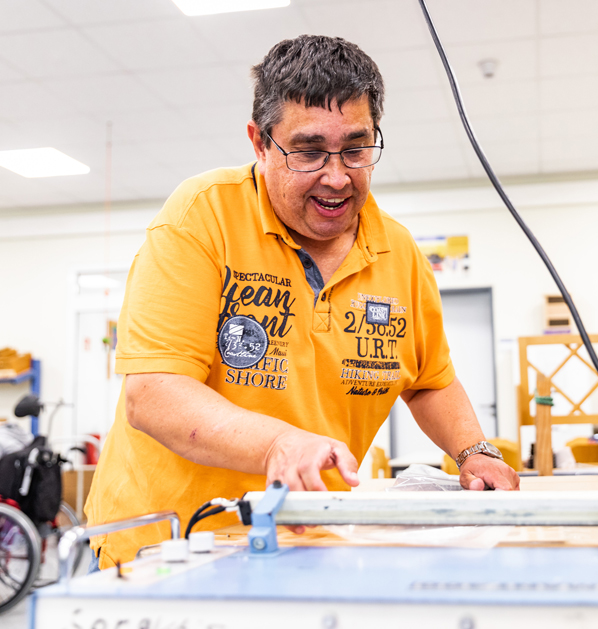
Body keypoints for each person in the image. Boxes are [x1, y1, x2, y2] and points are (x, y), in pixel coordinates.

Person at [84, 34, 519, 570]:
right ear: (260, 143)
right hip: (171, 547)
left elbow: (429, 381)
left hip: (310, 542)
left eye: (356, 148)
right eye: (309, 151)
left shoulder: (398, 252)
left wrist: (475, 451)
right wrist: (276, 445)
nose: (336, 177)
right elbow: (153, 395)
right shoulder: (201, 218)